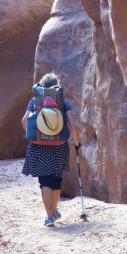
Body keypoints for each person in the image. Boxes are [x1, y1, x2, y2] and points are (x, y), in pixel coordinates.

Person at [21, 72, 80, 227]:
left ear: (42, 87)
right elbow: (73, 126)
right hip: (59, 146)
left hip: (39, 146)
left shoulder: (34, 102)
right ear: (56, 87)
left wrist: (36, 132)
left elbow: (24, 122)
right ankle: (54, 211)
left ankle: (49, 217)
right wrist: (77, 141)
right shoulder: (63, 103)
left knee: (45, 180)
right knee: (56, 178)